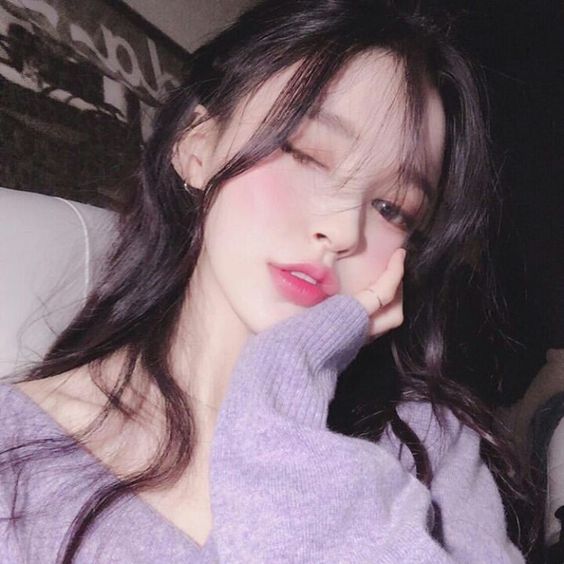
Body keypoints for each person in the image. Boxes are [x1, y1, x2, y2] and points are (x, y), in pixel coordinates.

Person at [0, 0, 531, 562]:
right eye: (306, 154)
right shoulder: (16, 456)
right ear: (196, 145)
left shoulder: (426, 440)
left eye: (391, 208)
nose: (342, 231)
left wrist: (285, 385)